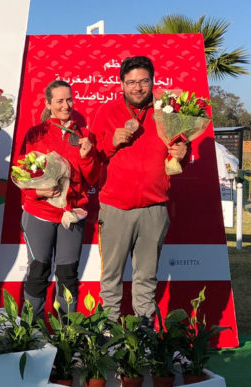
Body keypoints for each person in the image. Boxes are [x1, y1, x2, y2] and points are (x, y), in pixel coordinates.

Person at [92, 56, 188, 323]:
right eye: (131, 82)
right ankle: (107, 335)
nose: (137, 87)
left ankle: (144, 339)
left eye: (143, 81)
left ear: (152, 82)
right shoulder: (107, 113)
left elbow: (178, 157)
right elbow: (90, 160)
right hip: (115, 209)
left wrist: (183, 152)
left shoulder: (167, 113)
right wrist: (111, 143)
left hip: (154, 210)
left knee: (146, 278)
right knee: (111, 279)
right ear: (121, 84)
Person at [19, 80, 99, 318]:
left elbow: (93, 179)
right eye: (60, 101)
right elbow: (21, 174)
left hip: (72, 214)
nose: (66, 105)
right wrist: (37, 192)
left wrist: (86, 157)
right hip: (39, 212)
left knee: (67, 274)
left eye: (70, 99)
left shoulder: (84, 135)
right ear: (48, 104)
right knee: (38, 271)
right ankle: (30, 331)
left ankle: (68, 332)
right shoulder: (35, 134)